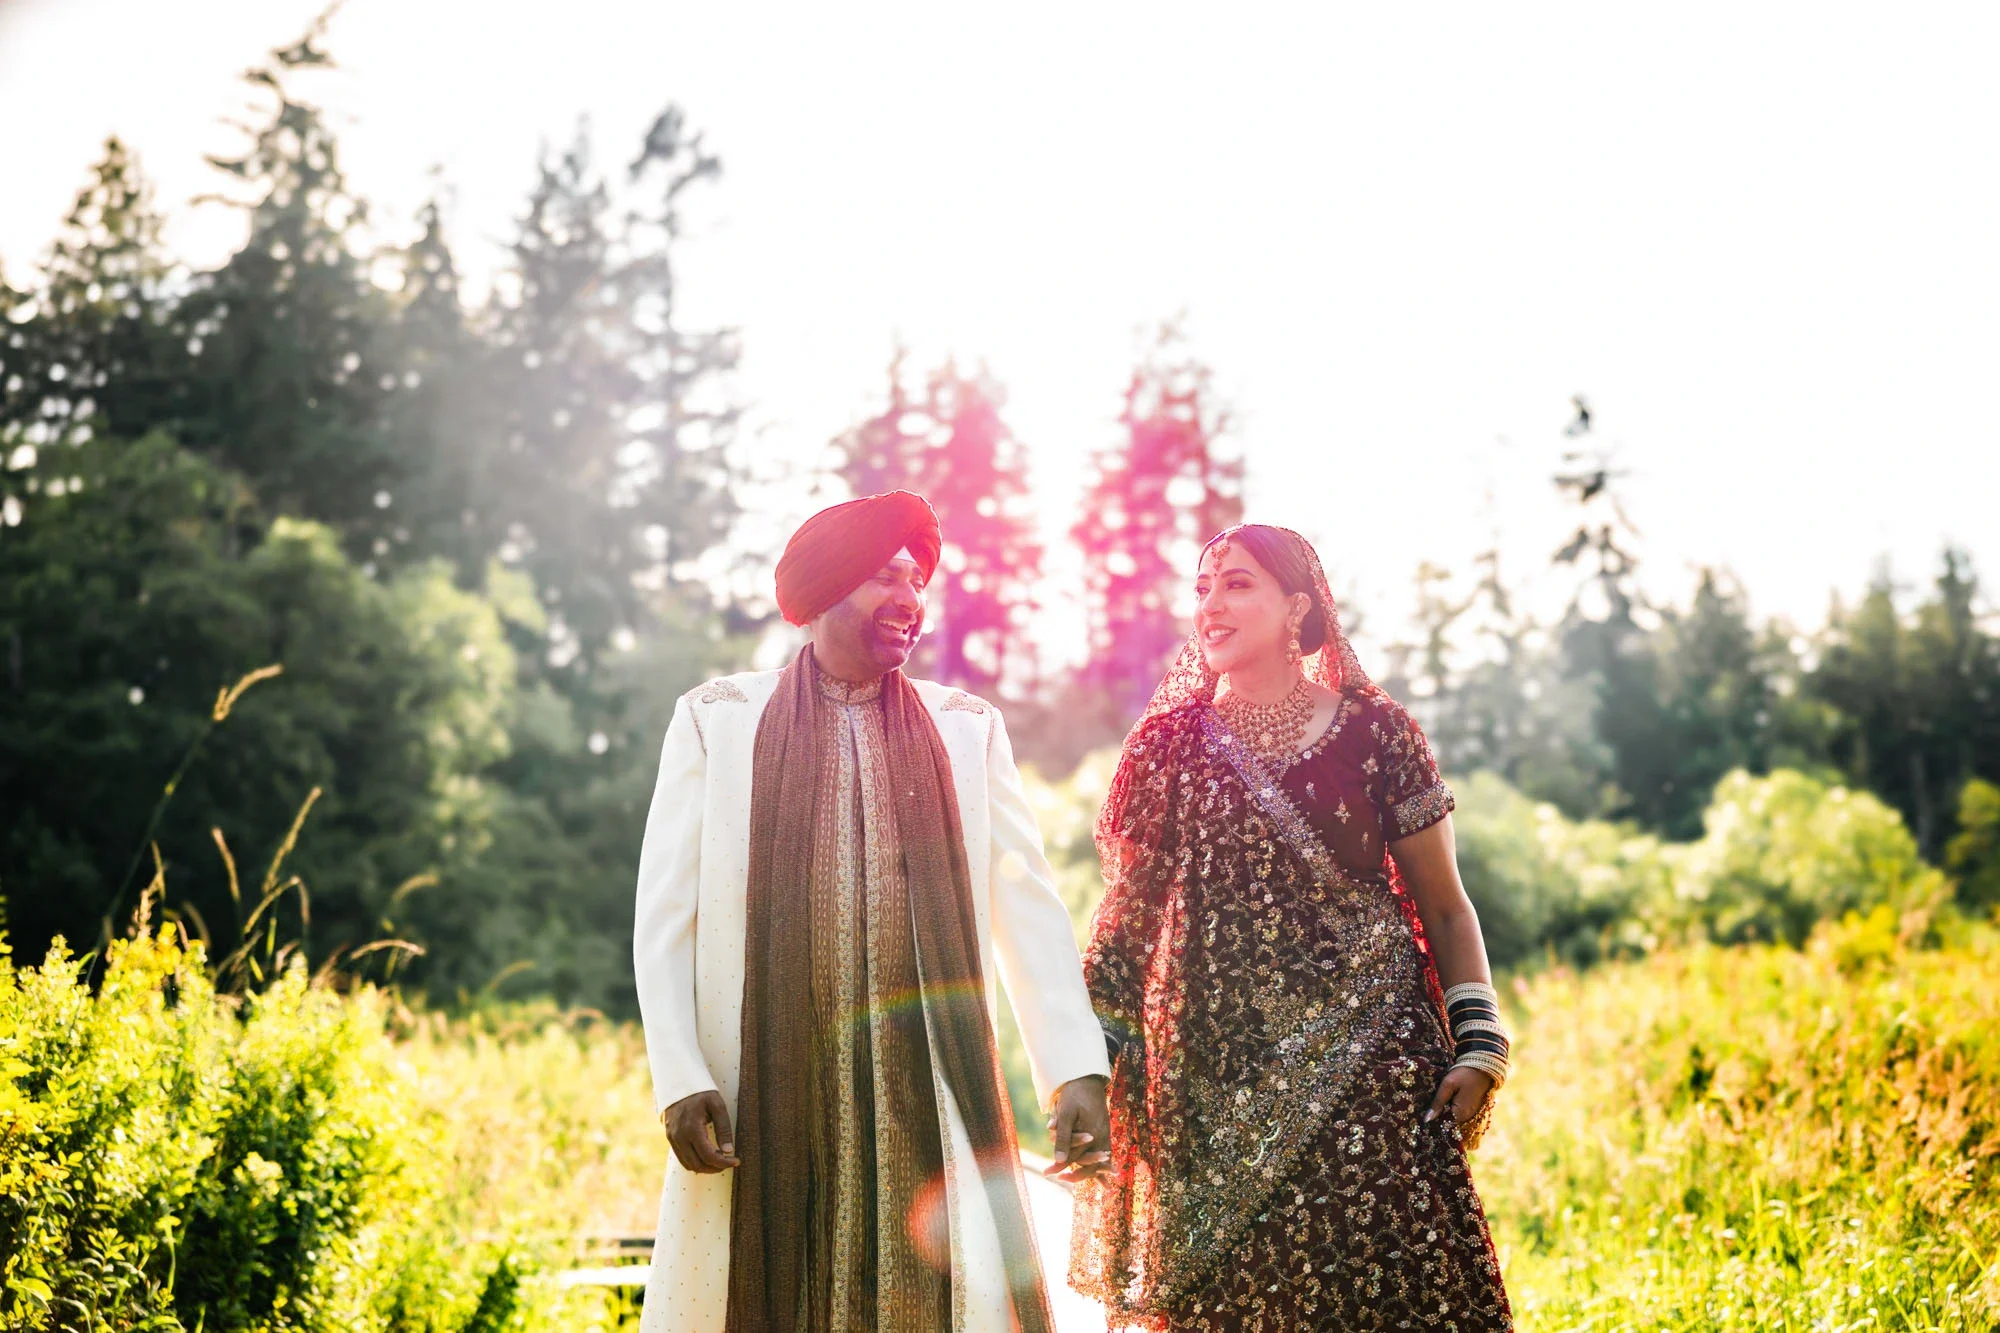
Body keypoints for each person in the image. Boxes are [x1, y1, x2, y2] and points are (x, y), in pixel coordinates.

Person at [632, 490, 1113, 1333]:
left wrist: (1073, 1063)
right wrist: (681, 1074)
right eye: (885, 576)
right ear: (823, 593)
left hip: (927, 1085)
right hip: (760, 1085)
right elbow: (665, 913)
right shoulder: (718, 721)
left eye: (918, 580)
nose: (909, 599)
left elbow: (1026, 902)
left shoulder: (967, 729)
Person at [1070, 524, 1513, 1331]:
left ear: (1297, 606)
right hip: (1214, 1086)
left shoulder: (1377, 732)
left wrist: (1481, 1042)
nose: (1211, 603)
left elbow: (1446, 905)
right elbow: (1124, 930)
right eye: (1203, 587)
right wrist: (1084, 1069)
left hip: (1373, 1075)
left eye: (1237, 584)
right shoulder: (1166, 748)